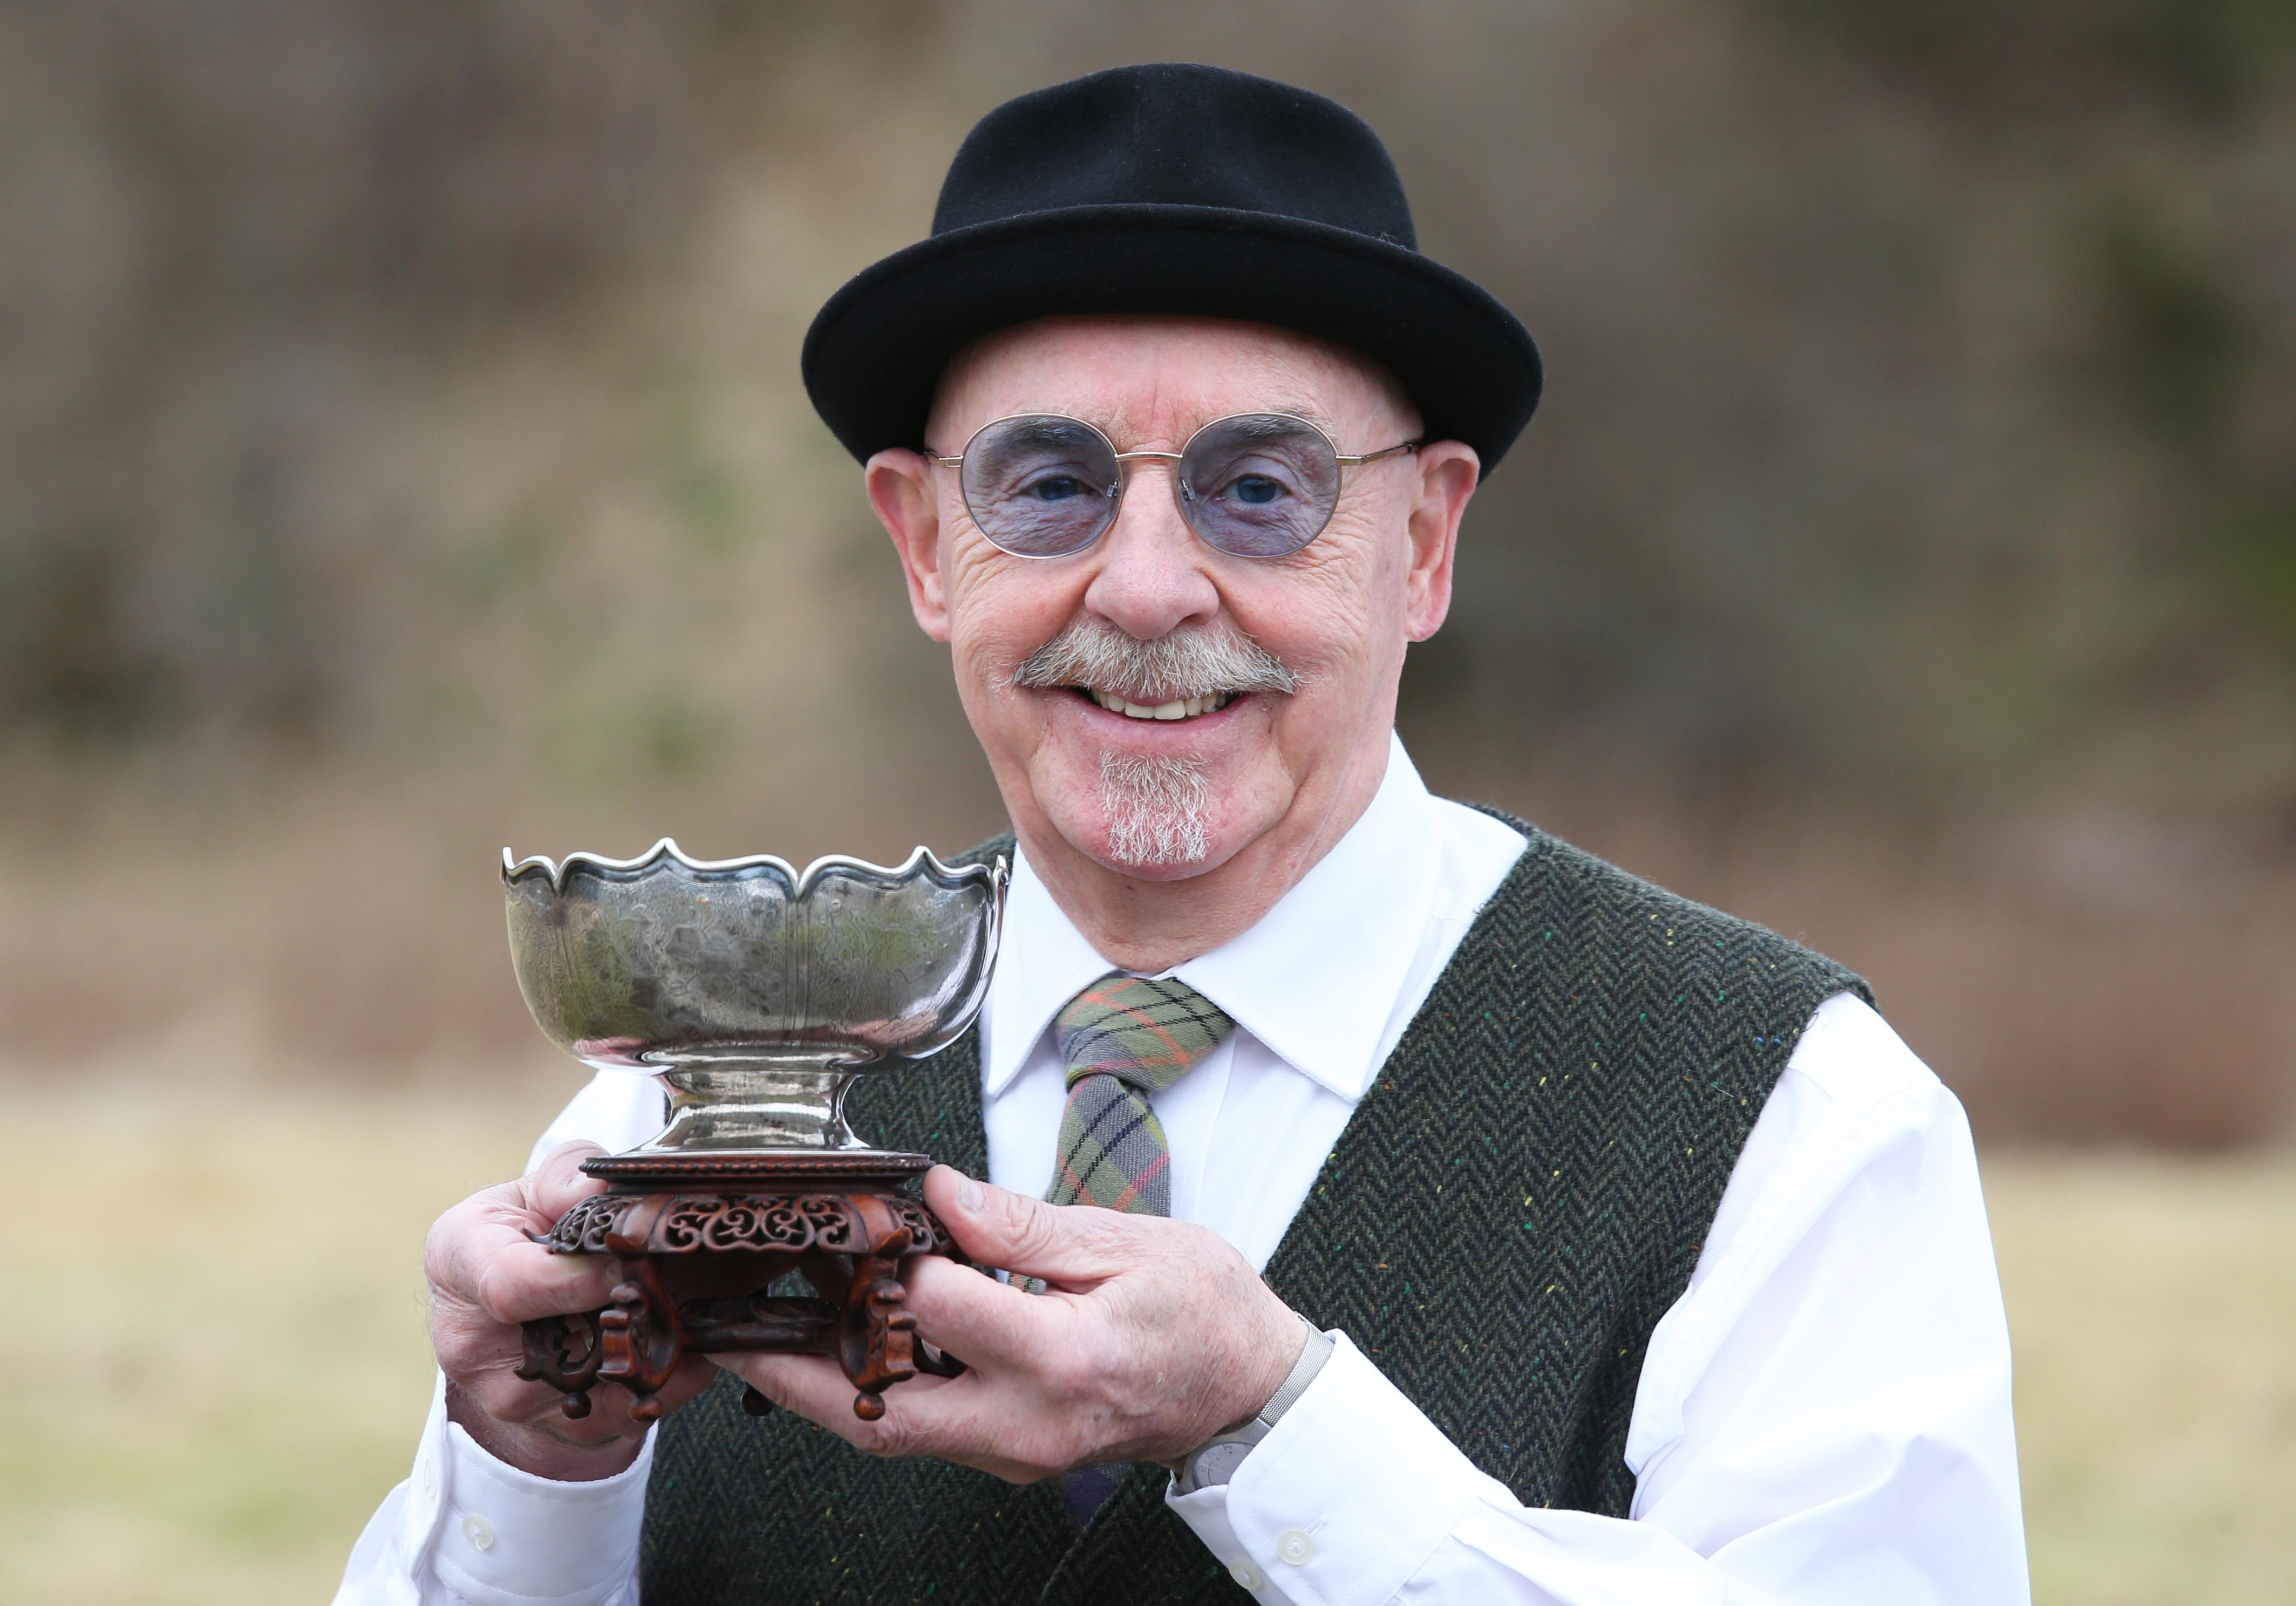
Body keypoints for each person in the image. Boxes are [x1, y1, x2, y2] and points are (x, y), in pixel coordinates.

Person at [336, 64, 2028, 1605]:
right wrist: (534, 1466)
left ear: (1424, 544)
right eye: (1051, 485)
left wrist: (1273, 1426)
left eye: (1262, 489)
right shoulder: (692, 1092)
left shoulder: (1787, 1113)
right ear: (925, 546)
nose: (1146, 587)